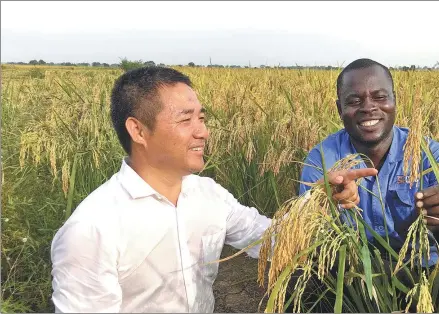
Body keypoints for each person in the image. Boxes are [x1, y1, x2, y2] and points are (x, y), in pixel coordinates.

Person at [50, 66, 377, 313]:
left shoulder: (208, 195)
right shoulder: (91, 230)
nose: (203, 132)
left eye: (202, 118)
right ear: (138, 129)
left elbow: (271, 242)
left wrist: (321, 202)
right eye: (186, 120)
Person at [297, 58, 439, 311]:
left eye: (379, 97)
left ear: (394, 100)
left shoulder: (429, 155)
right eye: (354, 101)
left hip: (420, 280)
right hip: (350, 283)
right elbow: (307, 243)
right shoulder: (323, 159)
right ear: (339, 109)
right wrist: (327, 202)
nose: (368, 108)